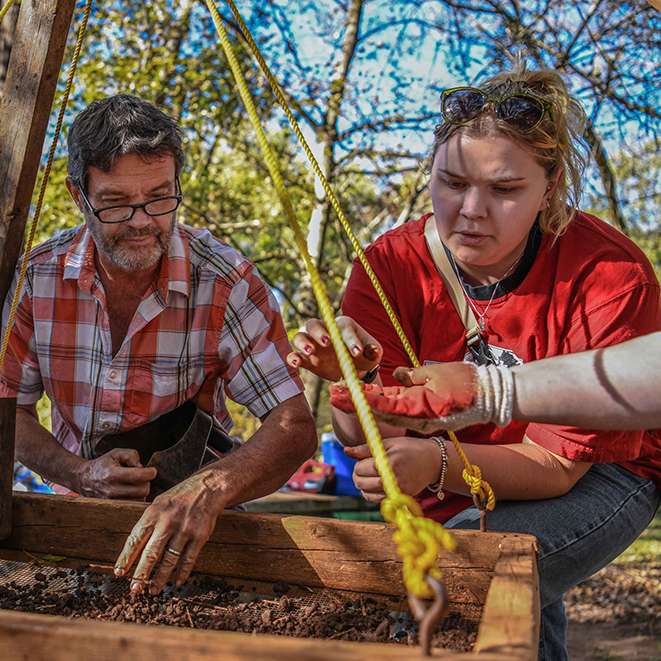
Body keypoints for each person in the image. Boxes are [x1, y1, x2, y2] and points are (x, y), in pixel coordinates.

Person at [287, 68, 661, 661]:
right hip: (450, 475)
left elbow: (560, 467)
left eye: (505, 189)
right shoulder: (391, 265)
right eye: (452, 182)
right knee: (510, 603)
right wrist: (350, 382)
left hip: (604, 472)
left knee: (465, 579)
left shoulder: (609, 277)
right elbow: (369, 445)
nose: (470, 211)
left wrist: (434, 461)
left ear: (552, 184)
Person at [0, 95, 317, 596]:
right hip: (72, 516)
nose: (143, 220)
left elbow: (295, 426)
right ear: (79, 196)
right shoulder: (38, 278)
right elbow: (6, 411)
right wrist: (78, 473)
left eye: (159, 195)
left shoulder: (225, 280)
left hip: (195, 525)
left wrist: (208, 490)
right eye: (116, 201)